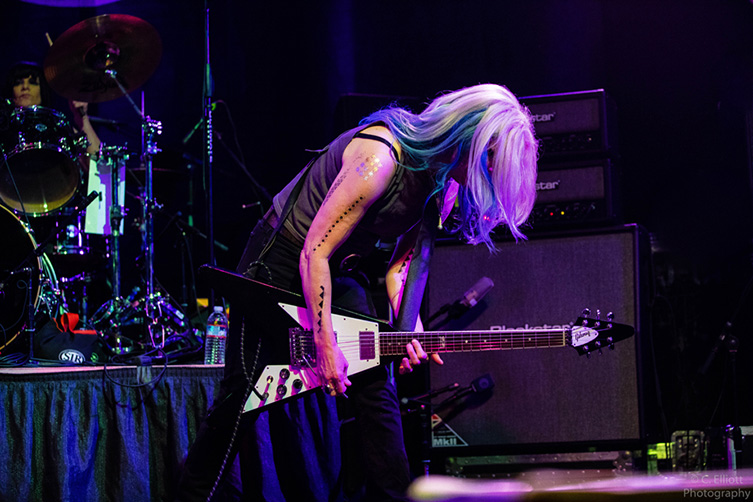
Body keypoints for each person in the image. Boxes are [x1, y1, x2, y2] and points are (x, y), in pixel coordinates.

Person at [176, 83, 538, 501]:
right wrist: (325, 343)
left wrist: (410, 329)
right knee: (240, 399)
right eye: (492, 163)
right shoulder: (379, 158)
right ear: (468, 141)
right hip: (280, 261)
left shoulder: (444, 183)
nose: (490, 177)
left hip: (337, 270)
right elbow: (314, 251)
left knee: (376, 387)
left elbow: (401, 268)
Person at [2, 61, 100, 156]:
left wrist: (82, 118)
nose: (25, 87)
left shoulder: (56, 126)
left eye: (33, 82)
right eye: (18, 83)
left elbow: (98, 160)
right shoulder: (4, 126)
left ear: (42, 90)